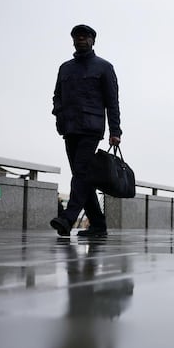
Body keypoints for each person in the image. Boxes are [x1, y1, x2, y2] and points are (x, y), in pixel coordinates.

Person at [50, 24, 122, 238]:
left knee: (81, 171)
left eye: (85, 36)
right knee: (83, 176)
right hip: (69, 127)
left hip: (91, 127)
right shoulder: (65, 68)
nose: (81, 39)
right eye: (77, 36)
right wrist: (59, 115)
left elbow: (112, 101)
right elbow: (57, 95)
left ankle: (67, 218)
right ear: (72, 40)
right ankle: (98, 225)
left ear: (92, 41)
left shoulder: (104, 67)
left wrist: (115, 130)